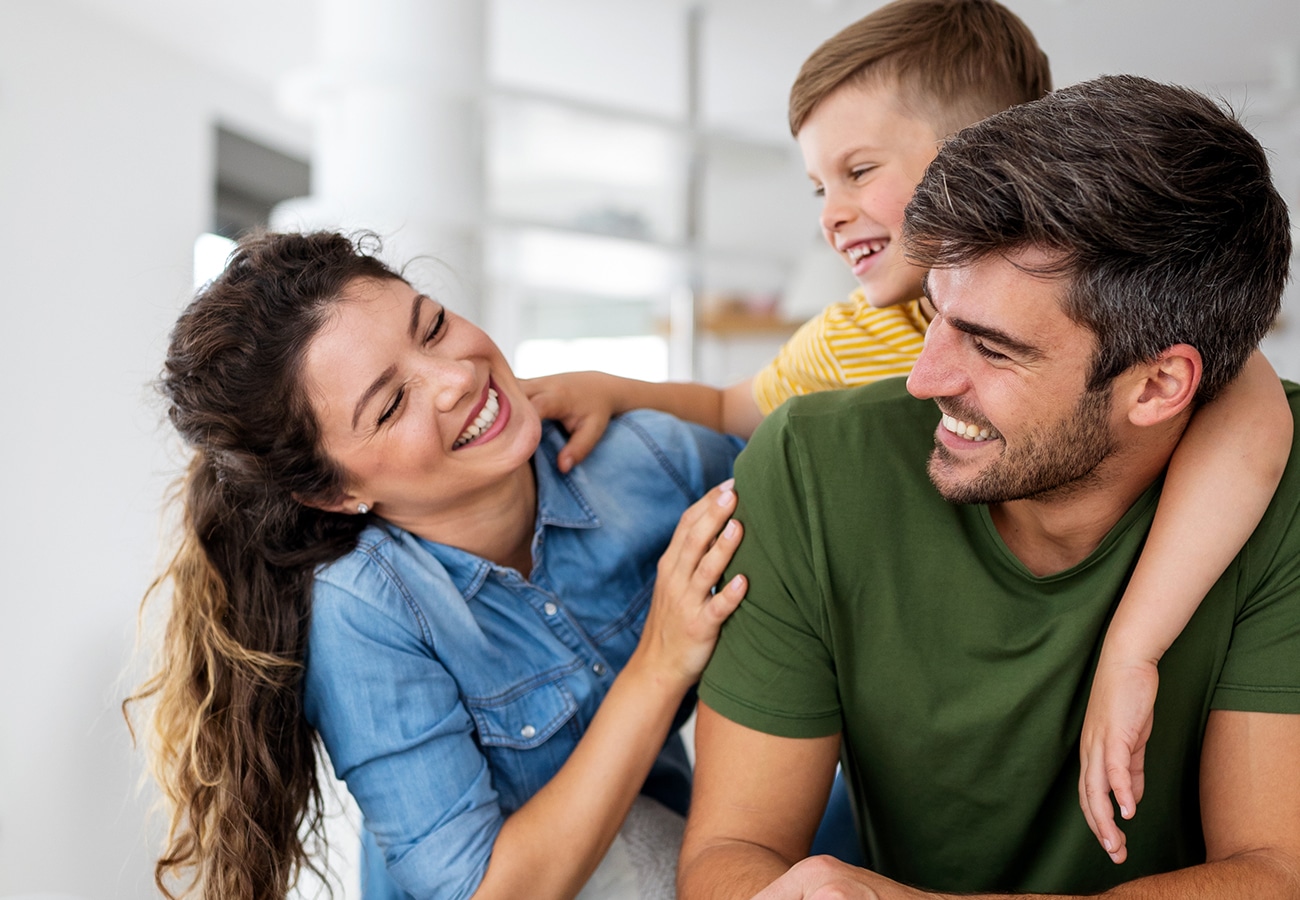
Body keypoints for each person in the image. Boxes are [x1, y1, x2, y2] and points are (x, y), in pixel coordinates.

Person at [523, 0, 1293, 859]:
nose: (925, 379)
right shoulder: (835, 378)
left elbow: (1248, 407)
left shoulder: (1199, 385)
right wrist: (613, 387)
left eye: (860, 170)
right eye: (822, 186)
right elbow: (735, 406)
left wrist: (1133, 645)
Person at [126, 230, 749, 900]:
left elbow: (802, 466)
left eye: (434, 326)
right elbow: (482, 891)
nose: (457, 378)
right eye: (392, 404)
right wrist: (660, 661)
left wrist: (629, 391)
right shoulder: (365, 609)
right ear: (336, 493)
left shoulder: (643, 457)